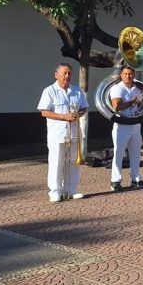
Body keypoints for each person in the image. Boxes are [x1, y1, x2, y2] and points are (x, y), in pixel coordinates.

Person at [37, 64, 88, 202]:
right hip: (57, 133)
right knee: (56, 162)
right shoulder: (49, 91)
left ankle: (71, 190)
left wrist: (78, 114)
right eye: (64, 73)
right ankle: (55, 191)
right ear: (56, 75)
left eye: (69, 74)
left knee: (73, 162)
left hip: (74, 132)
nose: (67, 76)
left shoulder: (77, 90)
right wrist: (64, 117)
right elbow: (44, 112)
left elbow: (84, 107)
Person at [109, 65, 143, 191]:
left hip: (135, 123)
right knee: (119, 153)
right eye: (125, 74)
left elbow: (141, 106)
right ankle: (115, 180)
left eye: (130, 74)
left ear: (133, 75)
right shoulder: (117, 89)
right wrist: (133, 102)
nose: (128, 76)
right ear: (121, 75)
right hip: (122, 124)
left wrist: (141, 103)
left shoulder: (137, 89)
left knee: (136, 153)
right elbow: (116, 106)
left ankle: (136, 178)